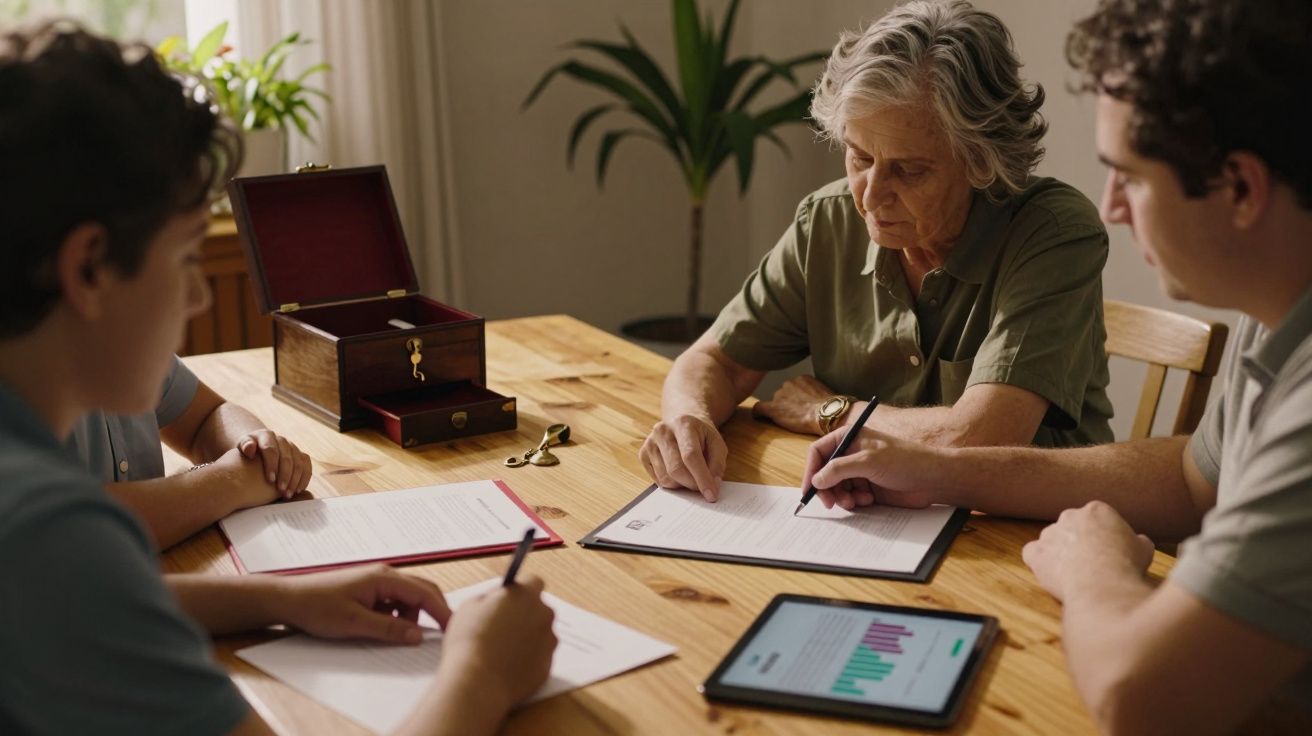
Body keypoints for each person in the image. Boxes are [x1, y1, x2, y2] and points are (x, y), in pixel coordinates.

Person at [0, 20, 555, 735]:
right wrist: (482, 672)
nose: (199, 299)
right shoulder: (45, 526)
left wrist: (278, 599)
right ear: (88, 270)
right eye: (187, 260)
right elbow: (66, 572)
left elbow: (74, 601)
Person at [802, 0, 1312, 730]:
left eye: (1128, 176)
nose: (1110, 208)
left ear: (1239, 188)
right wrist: (932, 466)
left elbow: (1145, 699)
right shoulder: (1281, 315)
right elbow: (1191, 479)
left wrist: (1091, 565)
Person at [640, 0, 1115, 502]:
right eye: (859, 156)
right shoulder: (827, 220)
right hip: (873, 517)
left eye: (909, 171)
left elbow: (978, 441)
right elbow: (718, 361)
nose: (869, 195)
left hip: (1026, 529)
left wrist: (834, 412)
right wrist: (687, 421)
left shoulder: (1054, 232)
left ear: (981, 160)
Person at [69, 358, 316, 549]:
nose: (199, 300)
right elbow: (78, 523)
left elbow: (207, 417)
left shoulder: (125, 333)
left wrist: (256, 446)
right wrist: (232, 480)